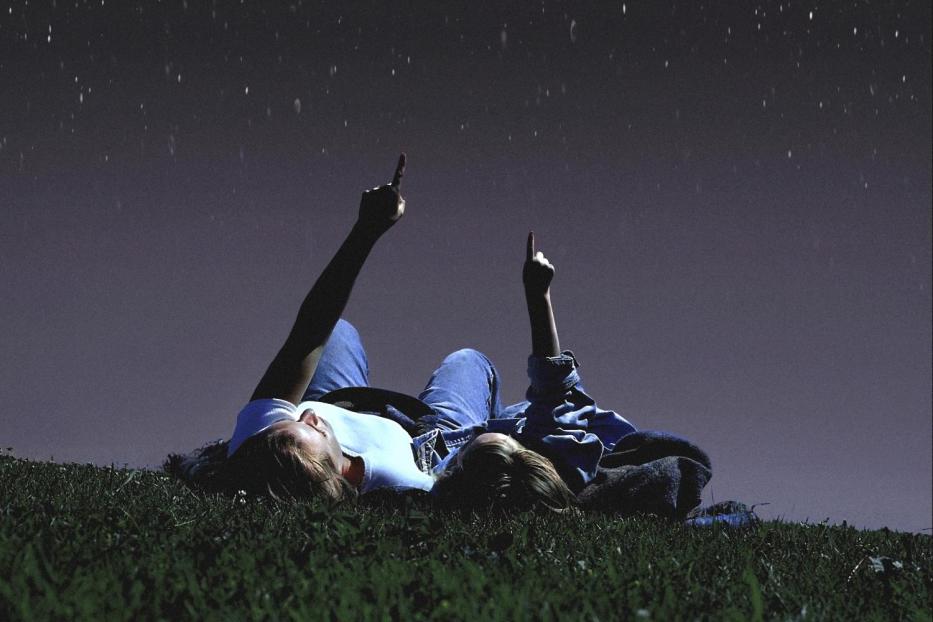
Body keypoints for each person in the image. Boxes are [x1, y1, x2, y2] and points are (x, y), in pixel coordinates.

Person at [166, 155, 502, 503]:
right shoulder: (408, 484)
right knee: (469, 362)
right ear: (339, 473)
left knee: (335, 332)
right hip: (428, 439)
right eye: (312, 428)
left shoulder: (260, 445)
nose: (307, 414)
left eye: (294, 421)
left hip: (345, 404)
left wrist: (366, 230)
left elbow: (310, 330)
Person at [432, 232, 640, 511]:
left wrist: (537, 294)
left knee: (467, 361)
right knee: (472, 364)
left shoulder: (433, 475)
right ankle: (501, 427)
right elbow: (554, 385)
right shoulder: (561, 459)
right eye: (511, 441)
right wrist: (539, 297)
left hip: (445, 439)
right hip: (526, 431)